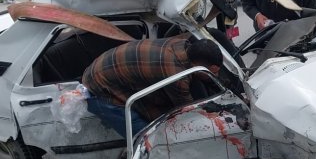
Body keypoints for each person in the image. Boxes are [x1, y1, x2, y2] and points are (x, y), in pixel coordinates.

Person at [81, 37, 225, 137]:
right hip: (99, 86)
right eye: (213, 72)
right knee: (147, 136)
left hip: (105, 68)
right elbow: (186, 111)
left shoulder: (182, 45)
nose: (215, 76)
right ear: (199, 66)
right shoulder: (176, 74)